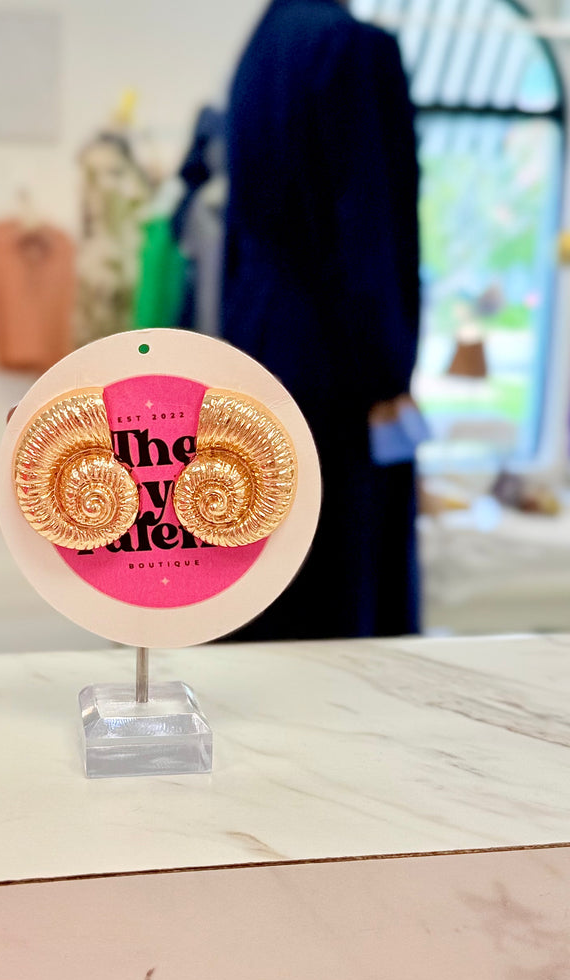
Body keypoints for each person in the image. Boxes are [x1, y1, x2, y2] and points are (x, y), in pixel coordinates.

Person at [221, 0, 421, 640]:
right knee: (341, 577)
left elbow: (237, 237)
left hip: (258, 339)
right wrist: (389, 371)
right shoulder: (352, 48)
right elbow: (369, 225)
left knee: (272, 555)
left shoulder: (260, 48)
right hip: (338, 351)